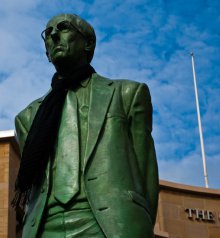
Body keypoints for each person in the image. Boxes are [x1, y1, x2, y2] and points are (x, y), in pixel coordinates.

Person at [13, 14, 159, 238]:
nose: (53, 34)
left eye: (63, 27)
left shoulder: (127, 94)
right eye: (48, 33)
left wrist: (139, 222)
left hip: (108, 224)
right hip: (45, 227)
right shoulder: (29, 117)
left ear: (88, 43)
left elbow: (145, 171)